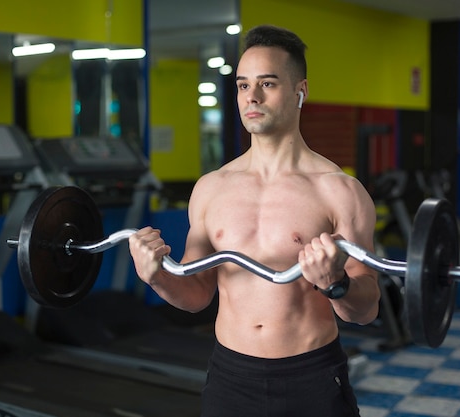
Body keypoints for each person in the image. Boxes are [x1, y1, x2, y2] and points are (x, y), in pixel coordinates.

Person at [129, 24, 380, 417]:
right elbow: (197, 296)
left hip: (310, 376)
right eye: (243, 85)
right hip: (231, 376)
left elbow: (366, 309)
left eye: (268, 83)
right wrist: (157, 275)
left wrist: (336, 283)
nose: (253, 97)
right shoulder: (212, 188)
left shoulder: (339, 191)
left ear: (301, 91)